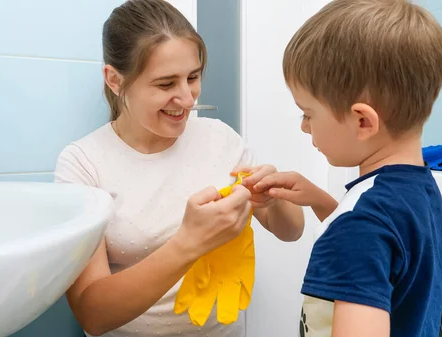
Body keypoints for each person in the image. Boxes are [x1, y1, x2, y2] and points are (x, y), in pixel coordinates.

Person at [53, 1, 304, 336]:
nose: (187, 98)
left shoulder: (219, 138)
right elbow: (92, 315)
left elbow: (291, 231)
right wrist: (189, 242)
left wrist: (274, 198)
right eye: (166, 84)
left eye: (193, 77)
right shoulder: (82, 164)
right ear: (114, 80)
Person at [253, 1, 442, 336]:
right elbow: (387, 252)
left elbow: (363, 238)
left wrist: (343, 223)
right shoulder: (416, 186)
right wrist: (321, 202)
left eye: (308, 113)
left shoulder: (359, 226)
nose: (304, 127)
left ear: (362, 121)